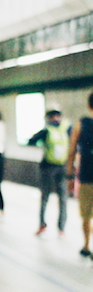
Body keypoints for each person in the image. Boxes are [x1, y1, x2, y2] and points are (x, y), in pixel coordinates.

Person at [27, 107, 69, 236]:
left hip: (48, 167)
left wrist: (43, 146)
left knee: (45, 197)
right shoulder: (66, 130)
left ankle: (42, 225)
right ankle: (61, 228)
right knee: (63, 198)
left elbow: (31, 141)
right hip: (62, 167)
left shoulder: (46, 131)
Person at [66, 89, 93, 258]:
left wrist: (69, 175)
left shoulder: (80, 124)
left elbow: (71, 151)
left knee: (86, 214)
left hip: (86, 176)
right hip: (86, 177)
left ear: (88, 105)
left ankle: (86, 245)